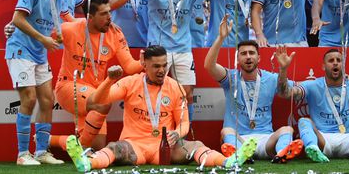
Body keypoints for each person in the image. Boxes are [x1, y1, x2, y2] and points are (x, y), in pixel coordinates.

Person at [65, 46, 236, 172]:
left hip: (164, 148)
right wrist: (109, 80)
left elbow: (184, 123)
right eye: (156, 66)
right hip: (134, 144)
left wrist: (177, 133)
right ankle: (87, 163)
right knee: (115, 148)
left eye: (164, 65)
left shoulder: (176, 87)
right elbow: (97, 100)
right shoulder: (130, 82)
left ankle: (227, 162)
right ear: (145, 65)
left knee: (195, 145)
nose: (162, 70)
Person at [131, 0, 225, 125]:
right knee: (154, 92)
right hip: (158, 49)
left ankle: (184, 136)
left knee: (187, 94)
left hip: (183, 49)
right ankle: (151, 132)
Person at [204, 17, 304, 163]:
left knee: (287, 130)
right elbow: (209, 66)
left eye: (252, 53)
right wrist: (221, 38)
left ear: (259, 58)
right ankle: (240, 155)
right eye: (243, 54)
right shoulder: (231, 77)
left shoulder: (270, 78)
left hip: (265, 139)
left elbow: (286, 91)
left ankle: (281, 153)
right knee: (226, 131)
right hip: (238, 137)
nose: (248, 57)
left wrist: (283, 69)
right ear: (238, 59)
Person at [8, 0, 76, 165]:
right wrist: (43, 39)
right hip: (21, 50)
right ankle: (22, 154)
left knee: (47, 101)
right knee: (29, 99)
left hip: (39, 52)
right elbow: (17, 19)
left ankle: (41, 152)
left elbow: (64, 23)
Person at [50, 0, 143, 151]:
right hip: (69, 86)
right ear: (90, 17)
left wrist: (144, 62)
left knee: (96, 149)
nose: (109, 18)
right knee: (102, 103)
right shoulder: (70, 29)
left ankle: (51, 140)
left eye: (109, 13)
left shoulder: (115, 34)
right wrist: (13, 29)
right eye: (104, 14)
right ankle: (75, 145)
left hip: (96, 92)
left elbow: (130, 66)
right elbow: (40, 36)